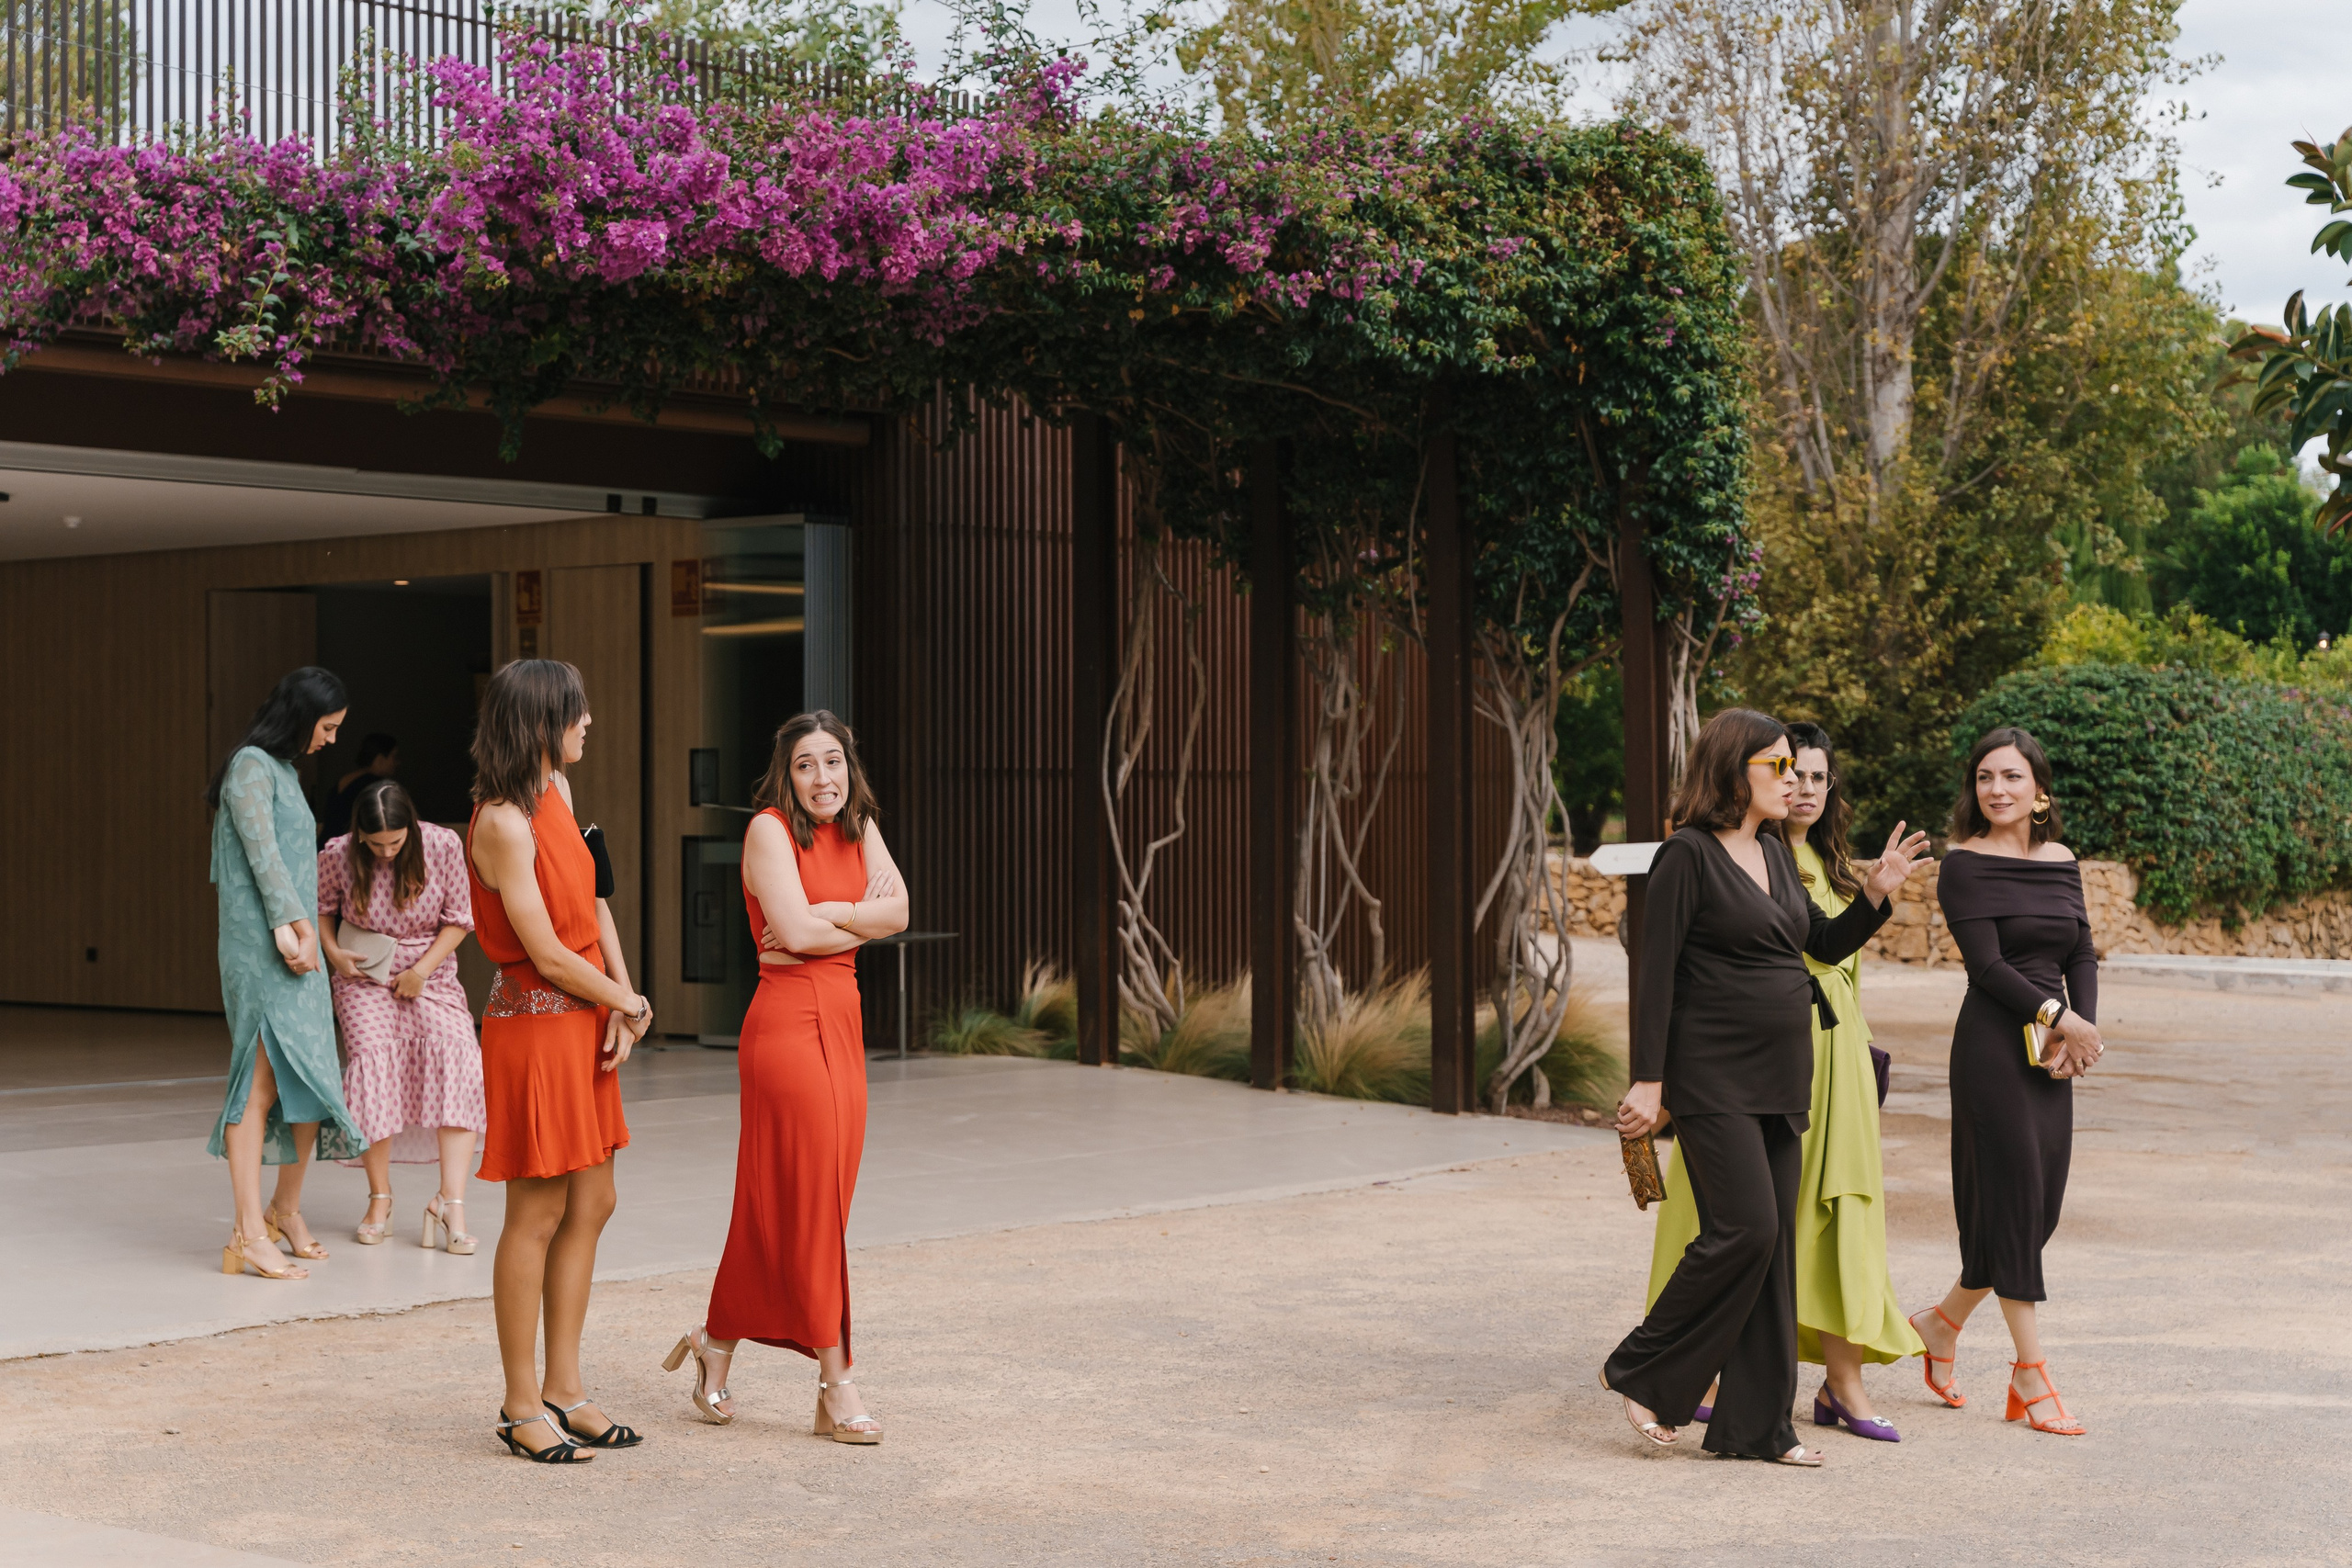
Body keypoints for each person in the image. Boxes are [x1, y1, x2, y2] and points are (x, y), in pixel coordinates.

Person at [1602, 708, 1928, 1465]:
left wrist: (1876, 892)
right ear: (1733, 769)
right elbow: (1656, 980)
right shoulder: (1686, 855)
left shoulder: (1779, 854)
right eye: (1777, 765)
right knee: (1743, 1229)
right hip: (1711, 1074)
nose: (1792, 779)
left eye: (1796, 766)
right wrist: (1650, 1082)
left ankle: (1757, 1427)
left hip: (1784, 1073)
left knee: (1772, 1247)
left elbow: (1819, 942)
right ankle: (1644, 1371)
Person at [665, 710, 906, 1446]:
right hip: (786, 1027)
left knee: (795, 1200)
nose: (823, 778)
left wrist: (832, 909)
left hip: (843, 1016)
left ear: (849, 766)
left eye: (833, 761)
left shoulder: (861, 823)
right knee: (811, 1203)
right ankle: (837, 1383)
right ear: (786, 773)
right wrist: (856, 915)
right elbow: (794, 937)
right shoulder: (769, 829)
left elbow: (898, 912)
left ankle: (715, 1343)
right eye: (806, 765)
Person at [466, 660, 652, 1462]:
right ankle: (517, 1402)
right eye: (576, 713)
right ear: (540, 721)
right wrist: (621, 1001)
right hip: (537, 1028)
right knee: (535, 1213)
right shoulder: (500, 820)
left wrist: (624, 992)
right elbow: (540, 949)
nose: (588, 723)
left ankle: (565, 1388)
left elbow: (596, 898)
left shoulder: (558, 794)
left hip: (584, 1018)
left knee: (594, 1200)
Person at [1907, 726, 2102, 1438]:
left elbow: (2080, 947)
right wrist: (2058, 1016)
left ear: (2039, 790)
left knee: (2038, 1208)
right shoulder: (1962, 864)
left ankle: (1941, 1320)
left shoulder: (2061, 859)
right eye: (1986, 777)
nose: (1997, 788)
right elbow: (1987, 967)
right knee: (2016, 1199)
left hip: (2051, 1046)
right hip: (1993, 1044)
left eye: (2012, 777)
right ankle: (2031, 1374)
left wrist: (2080, 1029)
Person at [207, 667, 368, 1281]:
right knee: (261, 1080)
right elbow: (263, 854)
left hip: (295, 945)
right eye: (327, 727)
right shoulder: (251, 763)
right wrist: (291, 927)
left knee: (308, 1079)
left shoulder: (284, 771)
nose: (330, 739)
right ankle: (249, 1232)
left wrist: (305, 937)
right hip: (265, 947)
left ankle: (281, 1210)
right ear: (301, 717)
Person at [318, 777, 485, 1251]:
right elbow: (322, 910)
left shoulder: (442, 844)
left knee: (460, 1061)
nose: (387, 853)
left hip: (429, 973)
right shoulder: (338, 853)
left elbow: (459, 919)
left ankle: (451, 1203)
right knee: (373, 1068)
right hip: (363, 977)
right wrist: (334, 954)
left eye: (395, 841)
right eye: (376, 844)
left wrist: (421, 972)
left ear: (411, 828)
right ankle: (380, 1198)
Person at [319, 733, 399, 847]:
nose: (397, 763)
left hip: (325, 846)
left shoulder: (345, 780)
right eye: (394, 757)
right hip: (344, 851)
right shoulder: (377, 788)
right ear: (380, 758)